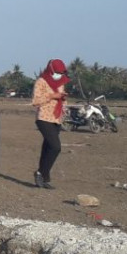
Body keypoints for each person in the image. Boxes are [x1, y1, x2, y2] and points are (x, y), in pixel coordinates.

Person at [32, 59, 70, 189]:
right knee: (55, 147)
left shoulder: (61, 82)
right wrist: (52, 96)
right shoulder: (41, 82)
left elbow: (61, 98)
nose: (59, 75)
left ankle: (43, 178)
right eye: (58, 72)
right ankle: (40, 173)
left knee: (47, 148)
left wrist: (63, 101)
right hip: (44, 118)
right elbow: (36, 101)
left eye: (62, 73)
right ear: (51, 70)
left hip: (56, 118)